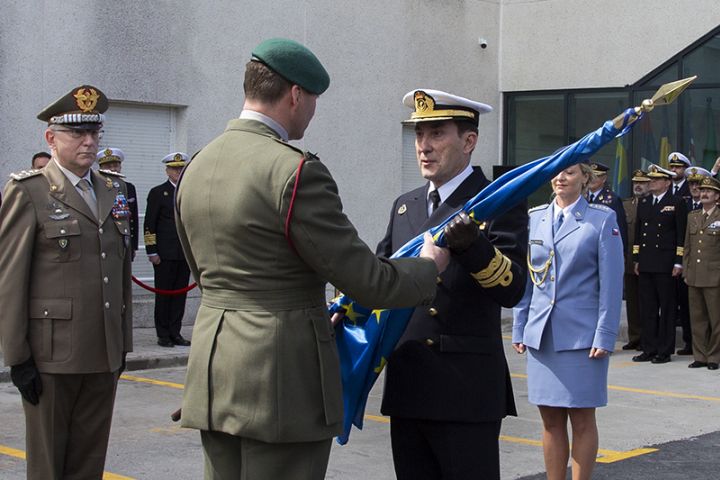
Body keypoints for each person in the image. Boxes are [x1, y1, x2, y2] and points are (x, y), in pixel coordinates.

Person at [175, 38, 448, 480]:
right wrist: (429, 266)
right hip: (281, 379)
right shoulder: (294, 171)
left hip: (214, 371)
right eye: (314, 99)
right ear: (296, 95)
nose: (313, 111)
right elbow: (366, 281)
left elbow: (205, 273)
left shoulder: (198, 165)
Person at [376, 89, 528, 480]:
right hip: (409, 383)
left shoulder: (496, 201)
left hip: (463, 389)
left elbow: (512, 289)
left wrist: (473, 246)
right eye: (418, 135)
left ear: (469, 141)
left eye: (437, 134)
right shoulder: (405, 205)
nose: (424, 147)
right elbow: (380, 275)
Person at [0, 85, 132, 479]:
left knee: (89, 463)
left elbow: (120, 271)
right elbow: (9, 281)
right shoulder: (29, 192)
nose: (89, 142)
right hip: (51, 355)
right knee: (48, 465)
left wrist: (121, 342)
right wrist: (18, 357)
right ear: (51, 138)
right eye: (78, 133)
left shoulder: (114, 189)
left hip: (103, 351)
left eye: (95, 133)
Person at [513, 162, 624, 480]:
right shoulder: (536, 219)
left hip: (582, 338)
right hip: (542, 335)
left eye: (571, 172)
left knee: (582, 419)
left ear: (586, 179)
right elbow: (528, 281)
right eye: (557, 172)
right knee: (549, 420)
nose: (561, 177)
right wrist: (521, 325)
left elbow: (611, 284)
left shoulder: (601, 220)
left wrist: (605, 334)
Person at [632, 164, 687, 364]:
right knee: (647, 308)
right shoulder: (645, 202)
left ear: (666, 182)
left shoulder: (676, 202)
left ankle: (664, 350)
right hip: (646, 262)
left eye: (655, 180)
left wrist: (678, 262)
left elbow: (681, 235)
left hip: (666, 263)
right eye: (651, 180)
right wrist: (637, 258)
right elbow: (638, 233)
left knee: (667, 308)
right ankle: (649, 347)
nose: (651, 182)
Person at [144, 152, 192, 348]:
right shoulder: (158, 193)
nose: (178, 172)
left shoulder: (189, 191)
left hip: (184, 254)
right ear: (167, 170)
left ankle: (175, 332)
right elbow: (149, 224)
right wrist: (151, 250)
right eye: (174, 169)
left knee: (180, 296)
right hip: (164, 254)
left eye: (181, 169)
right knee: (164, 295)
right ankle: (163, 334)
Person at [682, 176, 720, 371]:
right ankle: (700, 356)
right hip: (694, 275)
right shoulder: (693, 216)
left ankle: (714, 356)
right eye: (702, 190)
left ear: (717, 197)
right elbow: (688, 246)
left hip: (714, 276)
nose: (704, 193)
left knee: (716, 320)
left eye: (709, 191)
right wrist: (686, 270)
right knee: (697, 319)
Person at [621, 169, 650, 350]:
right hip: (629, 260)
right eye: (635, 183)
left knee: (647, 302)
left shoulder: (651, 204)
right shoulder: (625, 205)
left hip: (648, 260)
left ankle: (647, 337)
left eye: (642, 182)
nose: (638, 185)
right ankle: (635, 337)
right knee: (632, 302)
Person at [668, 152, 694, 355]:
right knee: (673, 299)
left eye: (678, 167)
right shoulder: (667, 188)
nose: (674, 170)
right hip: (669, 254)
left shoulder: (691, 189)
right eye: (672, 167)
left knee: (687, 302)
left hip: (689, 251)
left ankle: (690, 341)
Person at [98, 147, 139, 259]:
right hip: (104, 244)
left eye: (115, 165)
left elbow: (133, 218)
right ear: (100, 168)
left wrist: (133, 246)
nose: (113, 169)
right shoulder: (96, 188)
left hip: (125, 242)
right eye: (108, 166)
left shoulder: (129, 188)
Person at [587, 162, 627, 250]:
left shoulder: (613, 200)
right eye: (590, 176)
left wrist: (621, 252)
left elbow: (619, 228)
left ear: (604, 179)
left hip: (605, 247)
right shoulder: (580, 197)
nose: (592, 180)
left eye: (596, 176)